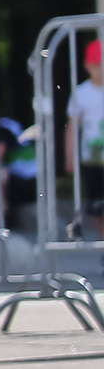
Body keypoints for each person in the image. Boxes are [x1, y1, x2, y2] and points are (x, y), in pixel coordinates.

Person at [70, 41, 104, 237]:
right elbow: (72, 126)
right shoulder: (82, 93)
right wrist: (70, 155)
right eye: (96, 65)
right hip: (93, 159)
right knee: (98, 207)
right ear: (87, 66)